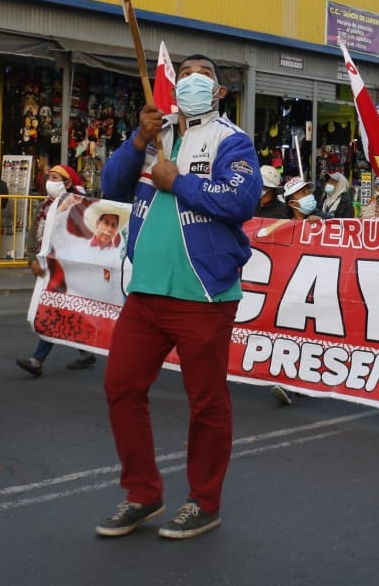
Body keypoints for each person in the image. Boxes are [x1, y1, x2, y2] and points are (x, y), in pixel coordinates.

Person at [96, 53, 260, 540]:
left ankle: (204, 502)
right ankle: (142, 493)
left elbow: (240, 200)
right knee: (121, 388)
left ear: (219, 92)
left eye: (203, 75)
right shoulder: (156, 136)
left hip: (204, 294)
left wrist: (179, 183)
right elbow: (112, 187)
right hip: (146, 292)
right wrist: (138, 139)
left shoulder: (232, 140)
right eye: (185, 74)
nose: (192, 81)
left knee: (206, 402)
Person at [15, 164, 96, 376]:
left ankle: (37, 360)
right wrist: (31, 259)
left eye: (55, 177)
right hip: (46, 267)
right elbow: (33, 234)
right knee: (65, 311)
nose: (50, 181)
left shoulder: (78, 206)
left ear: (67, 183)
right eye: (49, 177)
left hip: (67, 268)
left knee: (53, 311)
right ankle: (86, 353)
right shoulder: (43, 206)